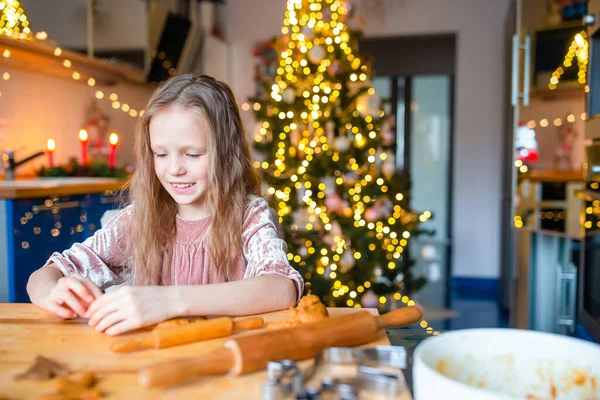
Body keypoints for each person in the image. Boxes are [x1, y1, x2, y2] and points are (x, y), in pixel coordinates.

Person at [27, 74, 304, 336]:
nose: (174, 169)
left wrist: (169, 300)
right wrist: (53, 292)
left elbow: (281, 288)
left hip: (230, 360)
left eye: (192, 154)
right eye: (161, 154)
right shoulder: (140, 219)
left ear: (226, 153)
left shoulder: (249, 215)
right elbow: (44, 275)